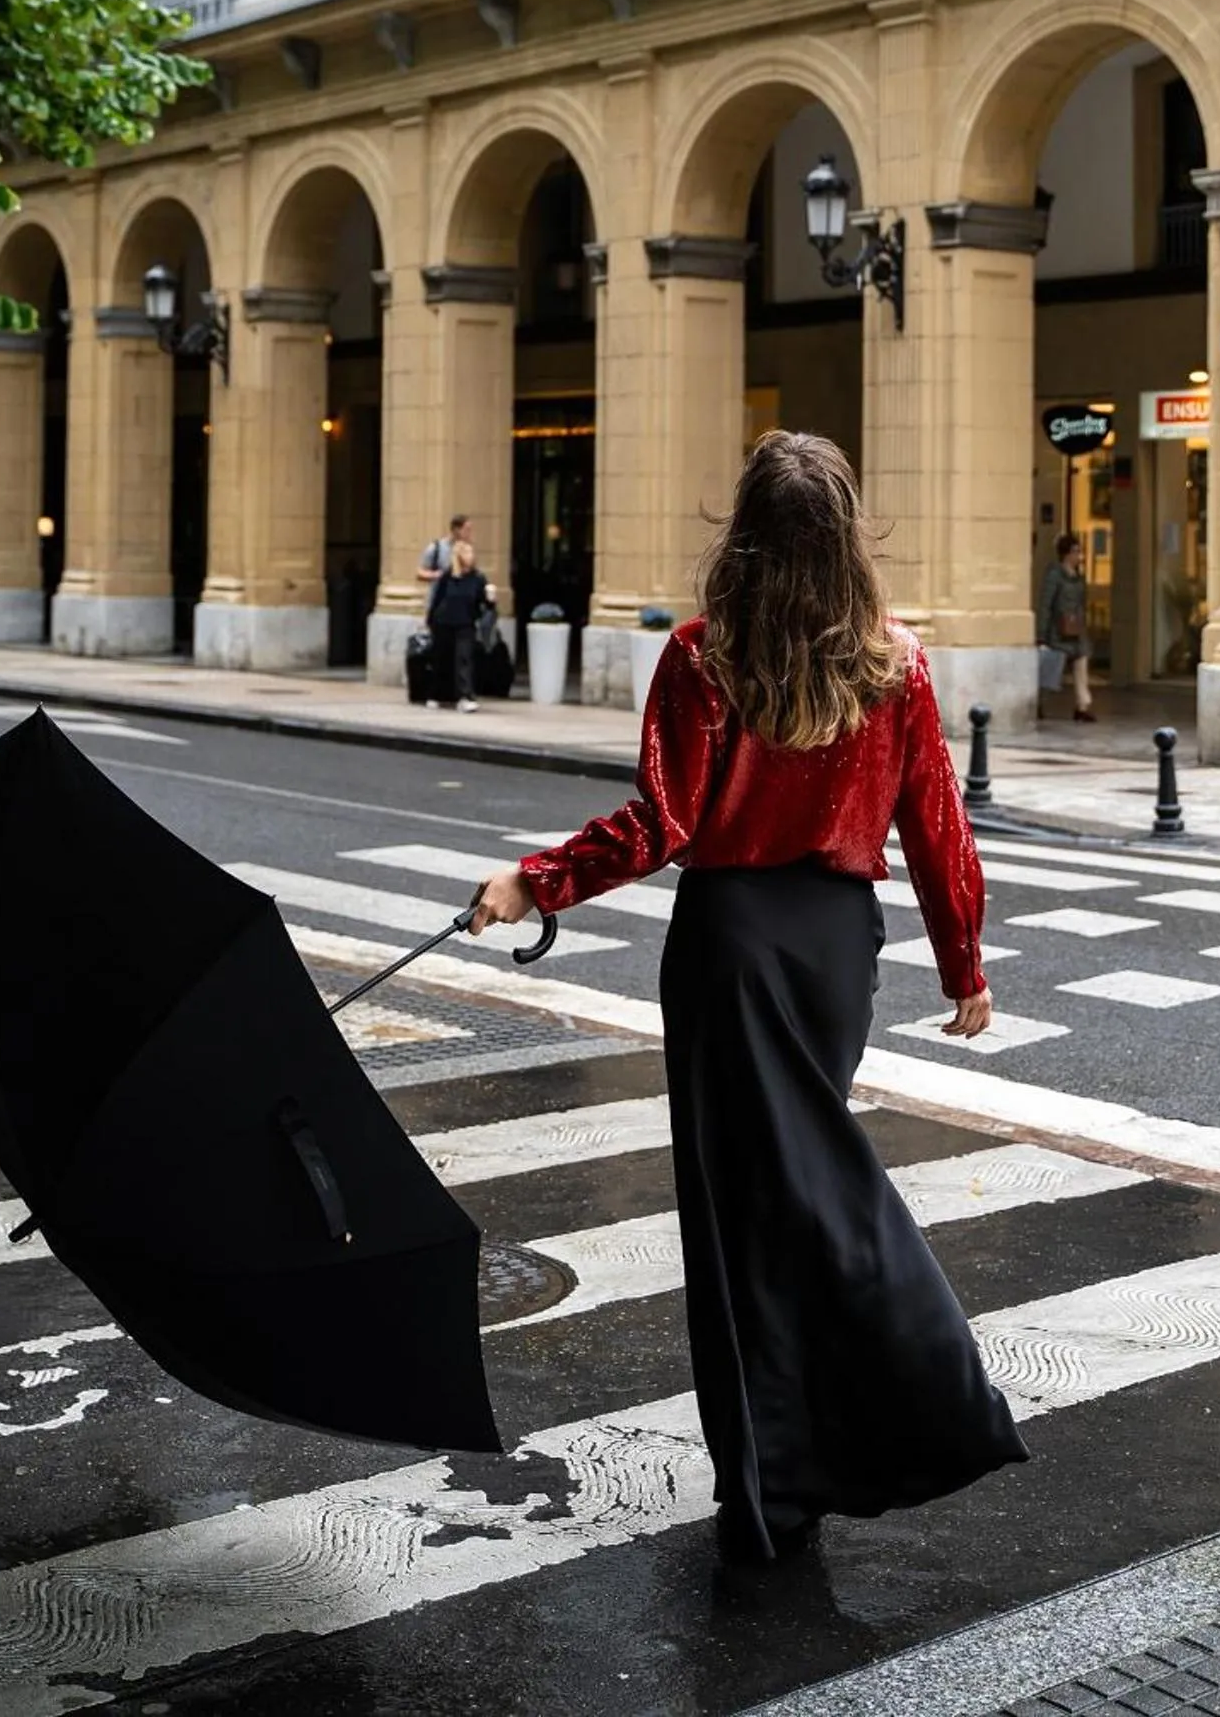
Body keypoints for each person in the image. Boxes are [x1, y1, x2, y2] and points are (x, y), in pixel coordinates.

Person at [467, 430, 1027, 1565]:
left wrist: (535, 881)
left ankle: (779, 1477)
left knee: (739, 1227)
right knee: (811, 1187)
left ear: (748, 537)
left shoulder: (702, 657)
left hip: (728, 947)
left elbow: (660, 825)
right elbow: (938, 830)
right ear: (845, 542)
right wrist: (963, 963)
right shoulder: (897, 663)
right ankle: (846, 1434)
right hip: (834, 956)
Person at [427, 537, 494, 714]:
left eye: (471, 552)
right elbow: (437, 599)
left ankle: (465, 696)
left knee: (464, 659)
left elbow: (484, 603)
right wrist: (430, 619)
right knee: (442, 659)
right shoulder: (448, 577)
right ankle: (436, 694)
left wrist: (490, 601)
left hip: (465, 623)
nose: (470, 555)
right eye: (466, 552)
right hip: (444, 622)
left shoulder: (478, 578)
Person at [1037, 530, 1095, 721]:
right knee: (1051, 669)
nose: (1079, 556)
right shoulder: (1054, 575)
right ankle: (1038, 702)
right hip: (1057, 631)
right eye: (1076, 551)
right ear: (1066, 554)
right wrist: (1042, 635)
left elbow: (1081, 603)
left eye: (1079, 551)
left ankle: (1082, 705)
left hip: (1075, 629)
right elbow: (1046, 604)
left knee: (1081, 661)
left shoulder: (1078, 578)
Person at [418, 513, 473, 619]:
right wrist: (437, 575)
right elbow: (420, 572)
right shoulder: (436, 548)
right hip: (439, 604)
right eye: (467, 530)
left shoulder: (467, 549)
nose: (469, 534)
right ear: (457, 530)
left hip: (462, 607)